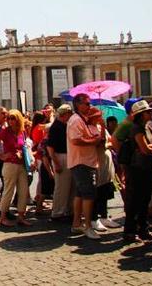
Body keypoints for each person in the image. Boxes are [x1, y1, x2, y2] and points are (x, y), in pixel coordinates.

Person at [123, 100, 152, 242]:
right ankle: (130, 231)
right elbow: (145, 149)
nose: (150, 113)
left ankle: (143, 228)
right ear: (140, 114)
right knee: (135, 200)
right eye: (147, 112)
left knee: (145, 198)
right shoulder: (136, 129)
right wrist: (151, 147)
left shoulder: (148, 127)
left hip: (147, 166)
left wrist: (151, 147)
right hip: (137, 168)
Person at [67, 94, 104, 240]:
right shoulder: (76, 120)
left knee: (80, 194)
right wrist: (93, 141)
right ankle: (88, 226)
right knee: (89, 195)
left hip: (87, 161)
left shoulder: (85, 121)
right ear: (78, 105)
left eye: (90, 104)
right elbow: (76, 140)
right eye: (87, 104)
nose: (89, 106)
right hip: (81, 162)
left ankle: (77, 223)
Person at [0, 109, 31, 227]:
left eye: (13, 118)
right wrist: (1, 156)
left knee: (23, 191)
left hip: (21, 164)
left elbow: (25, 147)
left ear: (18, 119)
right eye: (9, 118)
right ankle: (2, 217)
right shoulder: (5, 132)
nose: (10, 121)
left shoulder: (22, 131)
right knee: (8, 191)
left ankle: (21, 217)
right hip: (10, 165)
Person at [46, 104, 74, 221]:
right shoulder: (55, 127)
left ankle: (68, 210)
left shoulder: (65, 125)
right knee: (61, 187)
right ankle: (57, 212)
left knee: (70, 186)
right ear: (64, 114)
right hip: (60, 157)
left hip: (68, 156)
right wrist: (56, 163)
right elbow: (50, 147)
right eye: (69, 114)